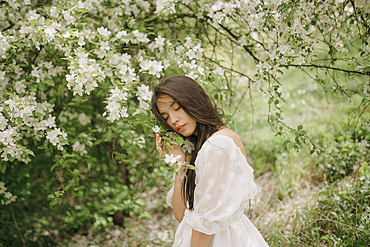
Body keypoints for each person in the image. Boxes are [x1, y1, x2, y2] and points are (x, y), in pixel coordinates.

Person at [151, 75, 268, 247]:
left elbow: (205, 225)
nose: (173, 120)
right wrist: (180, 165)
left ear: (193, 101)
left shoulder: (217, 145)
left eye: (177, 108)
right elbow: (182, 216)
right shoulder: (201, 146)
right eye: (166, 117)